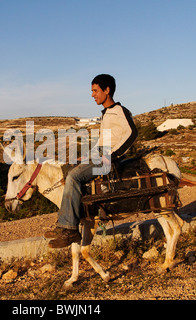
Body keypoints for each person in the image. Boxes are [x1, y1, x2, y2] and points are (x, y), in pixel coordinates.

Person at [45, 74, 138, 248]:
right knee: (68, 169)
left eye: (95, 91)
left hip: (107, 159)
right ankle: (72, 220)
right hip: (100, 154)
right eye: (92, 91)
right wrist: (87, 156)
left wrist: (113, 155)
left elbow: (132, 134)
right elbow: (104, 142)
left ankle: (69, 229)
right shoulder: (107, 114)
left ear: (107, 90)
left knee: (74, 177)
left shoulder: (119, 111)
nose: (92, 95)